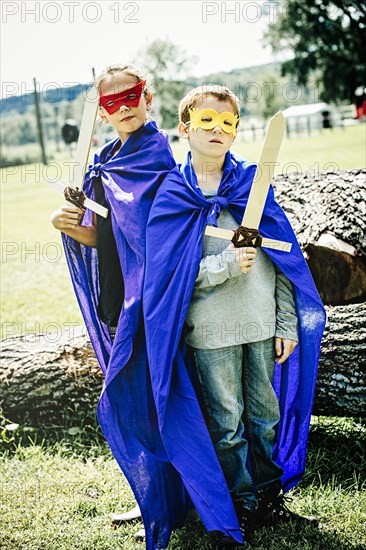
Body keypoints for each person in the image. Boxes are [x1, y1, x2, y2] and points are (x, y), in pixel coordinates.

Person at [143, 85, 326, 548]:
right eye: (207, 122)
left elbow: (286, 259)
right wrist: (226, 264)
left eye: (228, 124)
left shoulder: (251, 182)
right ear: (184, 128)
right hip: (210, 332)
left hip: (261, 324)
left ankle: (269, 498)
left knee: (264, 416)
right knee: (227, 423)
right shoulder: (174, 194)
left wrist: (287, 322)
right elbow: (170, 278)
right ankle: (239, 503)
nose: (218, 131)